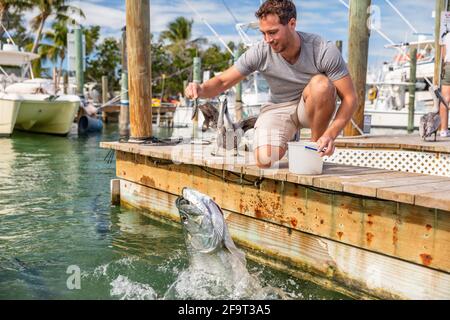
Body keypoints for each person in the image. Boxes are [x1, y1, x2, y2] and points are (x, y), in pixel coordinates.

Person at [185, 0, 357, 168]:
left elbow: (350, 98)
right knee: (265, 160)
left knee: (322, 85)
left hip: (309, 106)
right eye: (263, 33)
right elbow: (223, 81)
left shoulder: (323, 50)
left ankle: (314, 149)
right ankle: (283, 136)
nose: (267, 39)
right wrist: (200, 89)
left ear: (292, 24)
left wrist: (330, 134)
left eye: (273, 32)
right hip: (278, 107)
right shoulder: (260, 51)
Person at [440, 25, 450, 137]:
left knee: (445, 99)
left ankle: (443, 129)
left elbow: (443, 54)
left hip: (448, 65)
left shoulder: (446, 36)